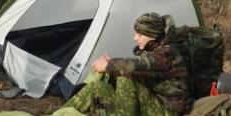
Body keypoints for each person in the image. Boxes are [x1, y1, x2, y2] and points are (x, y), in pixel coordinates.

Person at [63, 12, 192, 116]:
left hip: (168, 110)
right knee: (97, 88)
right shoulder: (155, 50)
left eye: (139, 34)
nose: (135, 38)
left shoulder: (167, 53)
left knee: (126, 77)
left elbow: (138, 65)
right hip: (152, 103)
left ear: (151, 35)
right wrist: (110, 68)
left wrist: (108, 65)